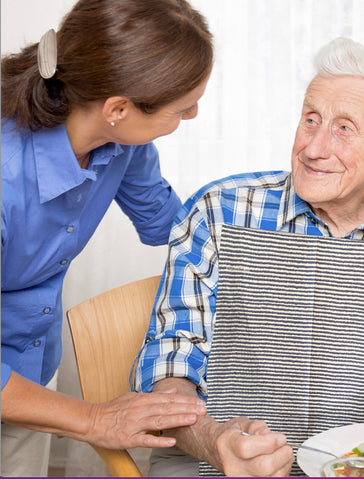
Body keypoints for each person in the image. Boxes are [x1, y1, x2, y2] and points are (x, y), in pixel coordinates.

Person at [133, 37, 364, 477]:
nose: (314, 148)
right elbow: (171, 359)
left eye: (344, 128)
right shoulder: (219, 211)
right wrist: (211, 439)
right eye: (310, 120)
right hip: (215, 461)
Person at [1, 0, 214, 476]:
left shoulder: (120, 145)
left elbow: (172, 225)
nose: (195, 113)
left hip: (29, 368)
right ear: (117, 108)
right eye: (183, 107)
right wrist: (94, 418)